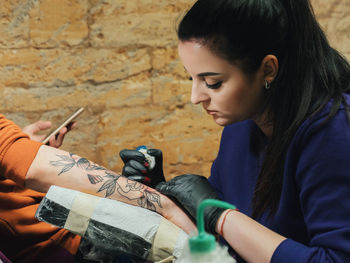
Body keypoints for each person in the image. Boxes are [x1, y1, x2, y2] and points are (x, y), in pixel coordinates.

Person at [120, 0, 350, 262]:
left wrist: (220, 215)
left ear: (268, 70)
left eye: (212, 83)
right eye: (191, 78)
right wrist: (165, 194)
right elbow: (226, 237)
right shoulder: (241, 123)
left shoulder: (332, 130)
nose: (196, 97)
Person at [0, 115, 195, 263]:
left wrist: (22, 148)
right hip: (62, 248)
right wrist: (164, 206)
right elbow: (40, 168)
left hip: (72, 227)